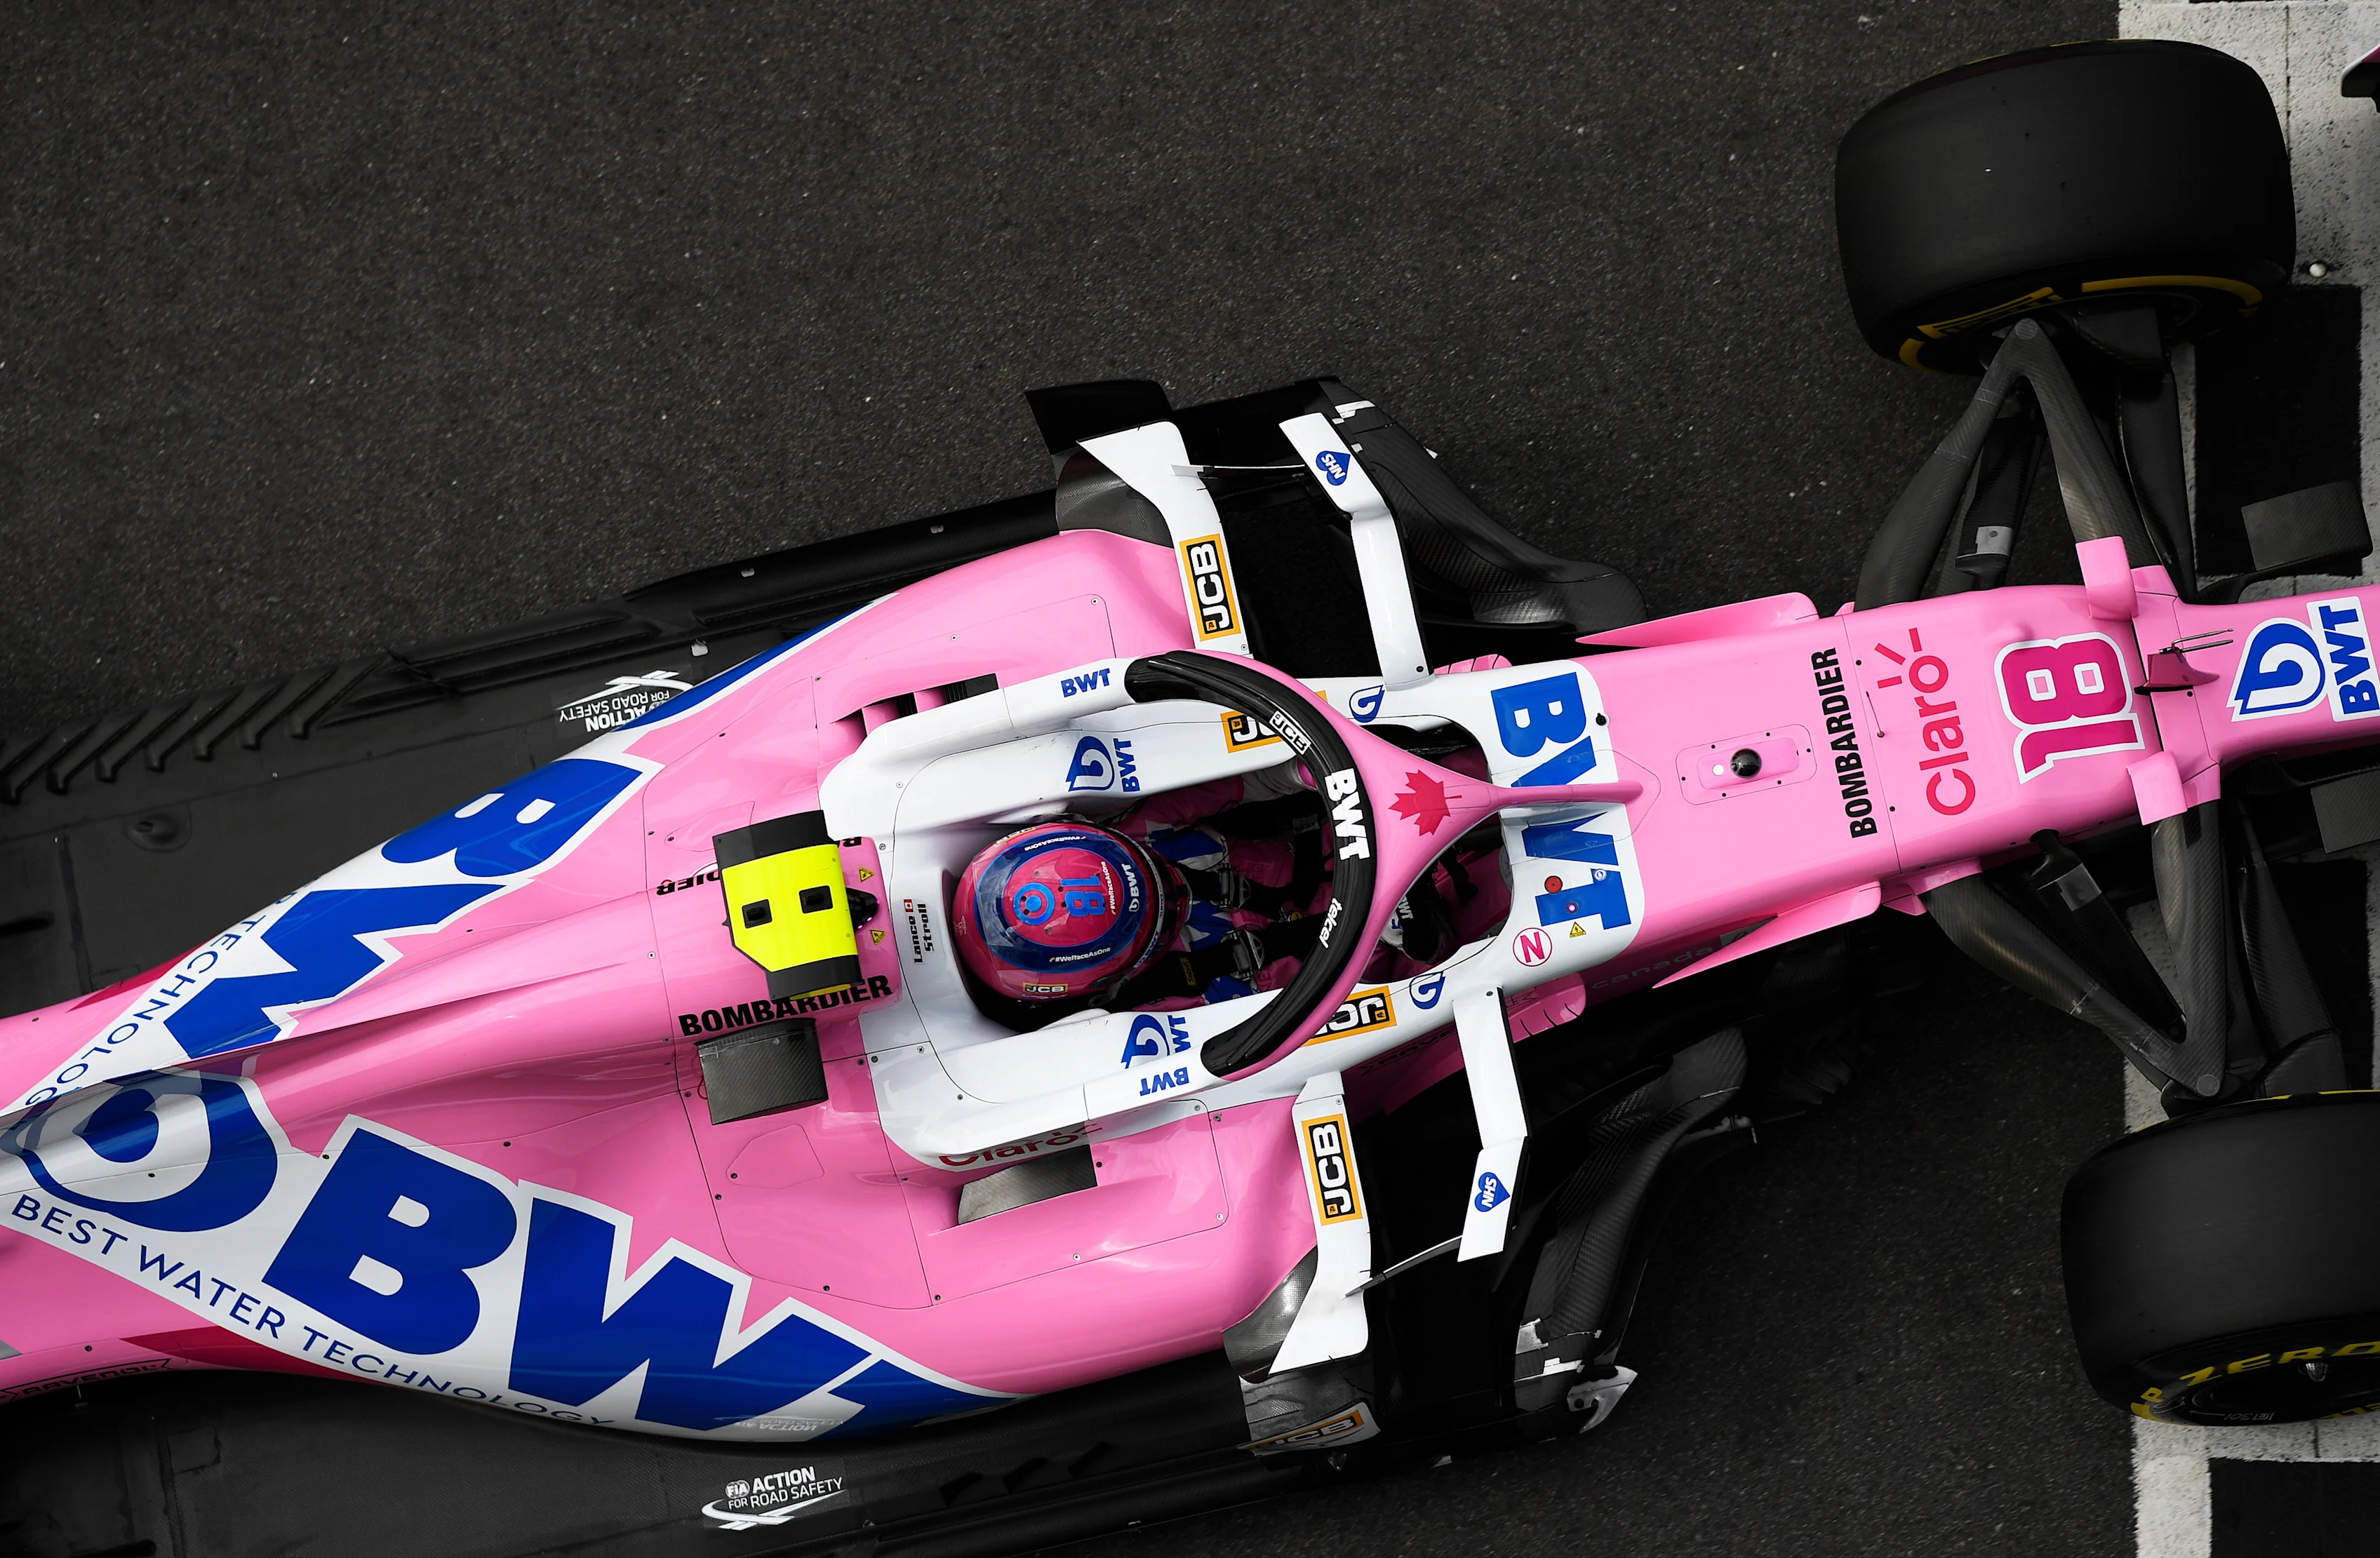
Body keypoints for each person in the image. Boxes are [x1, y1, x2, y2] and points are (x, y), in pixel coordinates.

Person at [951, 760, 1509, 1018]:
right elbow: (1323, 1029)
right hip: (1389, 949)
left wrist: (1331, 778)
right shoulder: (1162, 1009)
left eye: (1152, 876)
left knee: (1474, 770)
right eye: (1159, 915)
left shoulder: (1141, 826)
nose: (1179, 896)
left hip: (1363, 829)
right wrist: (1392, 957)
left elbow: (1264, 775)